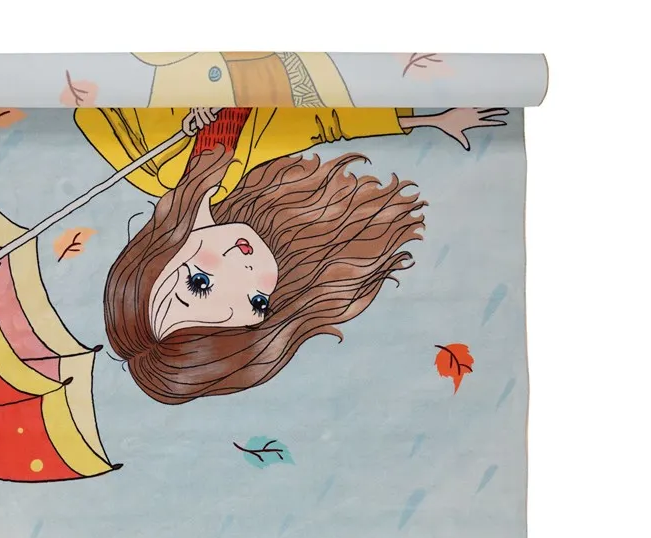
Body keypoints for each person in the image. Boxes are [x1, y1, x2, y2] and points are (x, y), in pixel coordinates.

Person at [78, 105, 506, 404]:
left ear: (153, 261)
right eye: (255, 303)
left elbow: (85, 99)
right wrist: (431, 119)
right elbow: (326, 121)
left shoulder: (153, 158)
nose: (246, 272)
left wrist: (181, 100)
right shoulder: (256, 181)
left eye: (200, 284)